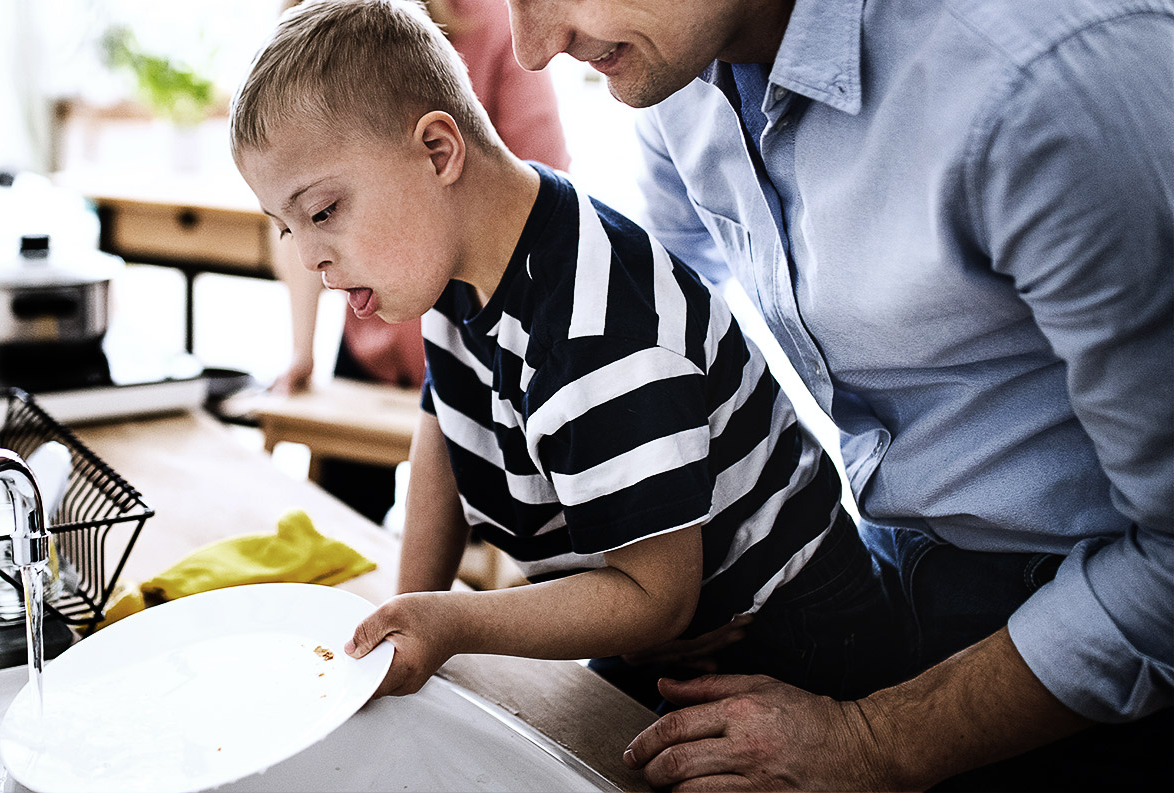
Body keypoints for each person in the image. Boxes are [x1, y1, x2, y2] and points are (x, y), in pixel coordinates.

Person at [503, 0, 1174, 789]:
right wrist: (677, 570)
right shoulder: (677, 65)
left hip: (1098, 634)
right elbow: (666, 334)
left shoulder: (1051, 78)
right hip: (882, 562)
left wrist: (874, 741)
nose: (531, 48)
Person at [229, 0, 900, 708]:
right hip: (652, 620)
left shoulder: (597, 326)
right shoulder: (461, 255)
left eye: (323, 212)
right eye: (286, 229)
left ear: (437, 151)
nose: (308, 257)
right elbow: (445, 422)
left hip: (787, 642)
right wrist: (408, 609)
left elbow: (653, 597)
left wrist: (449, 620)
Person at [266, 0, 570, 526]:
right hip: (373, 342)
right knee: (343, 517)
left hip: (486, 334)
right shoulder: (310, 36)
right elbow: (298, 212)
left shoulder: (498, 27)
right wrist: (301, 350)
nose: (312, 256)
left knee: (489, 521)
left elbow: (537, 193)